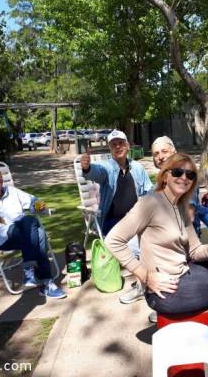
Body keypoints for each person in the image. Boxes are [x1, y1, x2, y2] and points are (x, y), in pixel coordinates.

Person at [105, 153, 208, 316]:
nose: (184, 178)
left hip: (183, 274)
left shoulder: (181, 206)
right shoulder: (150, 203)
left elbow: (195, 251)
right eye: (177, 172)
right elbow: (113, 240)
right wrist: (145, 276)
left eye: (190, 175)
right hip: (165, 291)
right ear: (165, 176)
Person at [80, 129, 153, 304]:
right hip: (114, 223)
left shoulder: (138, 168)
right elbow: (96, 172)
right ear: (110, 149)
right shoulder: (107, 167)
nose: (118, 146)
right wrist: (87, 168)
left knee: (156, 238)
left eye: (121, 143)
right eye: (113, 144)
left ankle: (148, 281)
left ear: (127, 146)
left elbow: (149, 191)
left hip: (137, 220)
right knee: (139, 247)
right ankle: (144, 285)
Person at [0, 167, 66, 299]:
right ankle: (45, 281)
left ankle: (33, 275)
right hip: (3, 238)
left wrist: (39, 206)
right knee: (36, 229)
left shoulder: (12, 192)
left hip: (25, 234)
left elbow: (33, 201)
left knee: (33, 225)